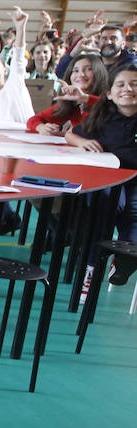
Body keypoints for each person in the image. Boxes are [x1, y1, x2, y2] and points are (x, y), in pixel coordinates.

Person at [67, 66, 137, 283]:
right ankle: (90, 268)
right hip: (106, 181)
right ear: (109, 93)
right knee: (105, 207)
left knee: (134, 214)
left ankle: (125, 261)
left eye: (134, 83)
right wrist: (82, 142)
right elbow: (71, 135)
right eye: (121, 84)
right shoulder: (102, 119)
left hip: (135, 182)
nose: (128, 89)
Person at [29, 54, 108, 135]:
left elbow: (107, 105)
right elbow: (33, 120)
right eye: (76, 71)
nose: (81, 75)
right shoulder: (71, 102)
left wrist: (84, 98)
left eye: (88, 69)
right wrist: (42, 127)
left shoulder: (108, 99)